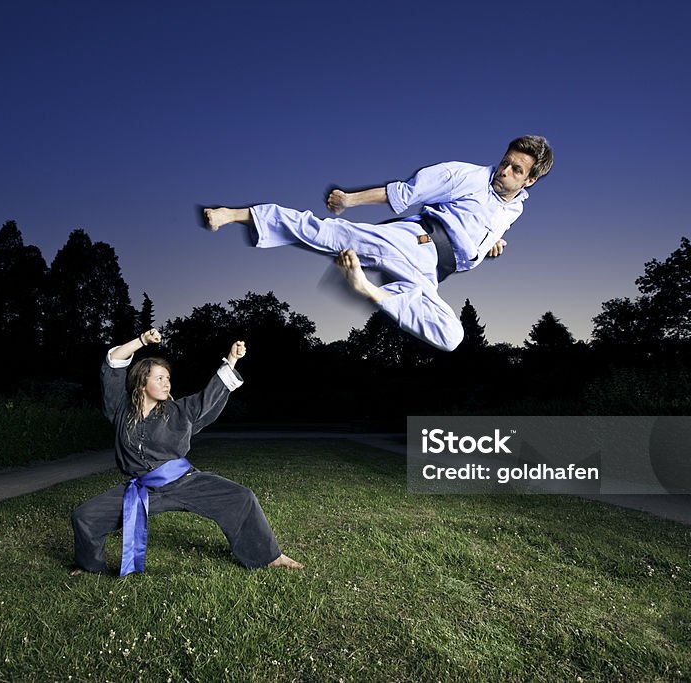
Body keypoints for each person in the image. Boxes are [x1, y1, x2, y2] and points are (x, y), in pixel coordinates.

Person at [204, 135, 553, 352]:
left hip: (430, 275)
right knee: (327, 234)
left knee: (451, 336)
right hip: (414, 242)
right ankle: (236, 214)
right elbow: (404, 192)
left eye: (516, 170)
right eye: (506, 162)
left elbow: (486, 225)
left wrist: (492, 243)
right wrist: (349, 202)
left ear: (531, 180)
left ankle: (368, 290)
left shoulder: (516, 207)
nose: (504, 171)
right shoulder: (464, 176)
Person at [70, 328, 302, 576]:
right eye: (159, 377)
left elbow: (208, 397)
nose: (166, 382)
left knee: (242, 497)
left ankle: (269, 556)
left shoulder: (179, 411)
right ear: (141, 382)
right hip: (142, 489)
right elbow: (114, 363)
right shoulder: (120, 409)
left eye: (167, 378)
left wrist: (232, 360)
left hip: (185, 482)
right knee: (85, 516)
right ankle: (90, 566)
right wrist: (142, 340)